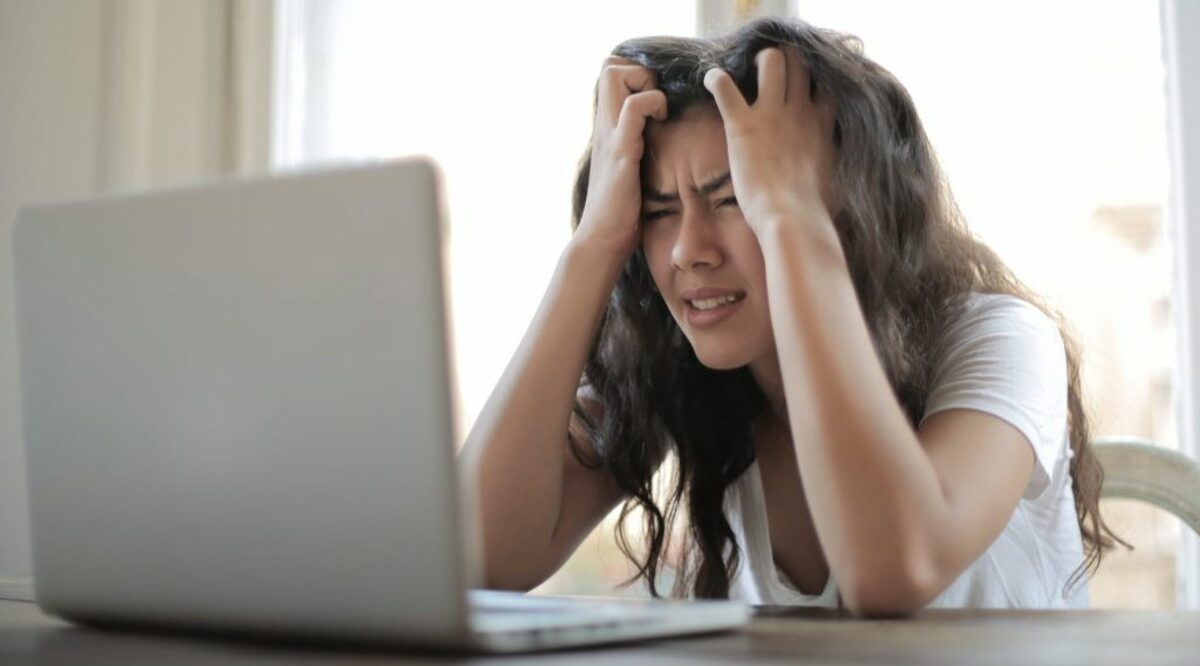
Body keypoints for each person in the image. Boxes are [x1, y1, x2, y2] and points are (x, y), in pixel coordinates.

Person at [459, 16, 1124, 615]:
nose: (689, 250)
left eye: (735, 198)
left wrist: (790, 217)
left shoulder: (1003, 339)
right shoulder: (686, 374)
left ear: (847, 205)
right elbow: (478, 559)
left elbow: (894, 570)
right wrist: (593, 245)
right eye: (658, 212)